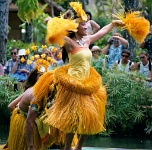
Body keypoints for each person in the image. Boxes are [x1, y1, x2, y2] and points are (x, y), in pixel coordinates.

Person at [32, 2, 124, 150]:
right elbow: (52, 27)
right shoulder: (69, 42)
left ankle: (79, 146)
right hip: (73, 83)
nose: (86, 27)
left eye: (87, 24)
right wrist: (56, 20)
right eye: (83, 25)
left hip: (87, 83)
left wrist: (113, 23)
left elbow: (102, 32)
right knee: (72, 120)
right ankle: (68, 147)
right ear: (75, 27)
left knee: (90, 116)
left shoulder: (87, 40)